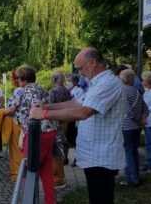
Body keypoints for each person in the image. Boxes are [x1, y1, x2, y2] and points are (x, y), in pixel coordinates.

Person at [30, 47, 125, 204]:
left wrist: (44, 115)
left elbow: (83, 112)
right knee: (98, 198)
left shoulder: (107, 83)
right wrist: (46, 107)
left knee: (101, 199)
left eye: (80, 68)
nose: (79, 73)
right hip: (95, 155)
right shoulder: (97, 83)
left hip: (101, 156)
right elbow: (76, 103)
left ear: (93, 63)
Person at [17, 66, 57, 204]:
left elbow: (30, 113)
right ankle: (50, 201)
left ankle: (28, 200)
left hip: (37, 133)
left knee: (28, 169)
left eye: (18, 78)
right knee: (46, 171)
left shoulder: (28, 91)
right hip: (50, 131)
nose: (17, 80)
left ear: (25, 79)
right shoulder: (41, 88)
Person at [0, 70, 24, 180]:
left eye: (12, 79)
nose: (12, 81)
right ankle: (17, 170)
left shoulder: (19, 90)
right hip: (19, 123)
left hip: (17, 123)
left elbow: (13, 108)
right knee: (17, 148)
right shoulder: (22, 89)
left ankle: (18, 172)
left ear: (17, 79)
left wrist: (1, 112)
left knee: (17, 149)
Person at [118, 69, 148, 186]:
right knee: (133, 151)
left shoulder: (122, 91)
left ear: (122, 79)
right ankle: (135, 176)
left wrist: (137, 120)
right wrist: (142, 121)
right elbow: (145, 108)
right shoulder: (136, 91)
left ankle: (131, 179)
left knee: (128, 152)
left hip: (127, 127)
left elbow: (127, 111)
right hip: (137, 128)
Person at [48, 70, 71, 189]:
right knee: (64, 141)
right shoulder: (67, 91)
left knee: (56, 146)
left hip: (55, 121)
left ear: (54, 79)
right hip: (65, 119)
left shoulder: (52, 92)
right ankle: (65, 158)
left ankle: (57, 175)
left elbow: (50, 108)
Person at [65, 73, 85, 167]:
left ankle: (76, 159)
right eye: (67, 80)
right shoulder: (65, 90)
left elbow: (81, 103)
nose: (68, 82)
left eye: (70, 80)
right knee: (65, 139)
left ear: (75, 81)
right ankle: (65, 157)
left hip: (75, 117)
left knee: (75, 139)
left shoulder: (80, 91)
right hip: (66, 116)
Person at [142, 71, 151, 173]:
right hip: (147, 122)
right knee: (148, 143)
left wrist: (146, 108)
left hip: (149, 121)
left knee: (149, 143)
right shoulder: (147, 92)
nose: (142, 81)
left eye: (143, 79)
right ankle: (149, 163)